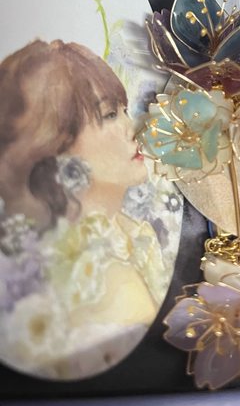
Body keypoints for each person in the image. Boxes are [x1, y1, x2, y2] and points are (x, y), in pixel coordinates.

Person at [0, 40, 167, 379]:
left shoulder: (134, 234)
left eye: (124, 110)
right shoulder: (100, 282)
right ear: (53, 143)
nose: (133, 128)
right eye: (109, 114)